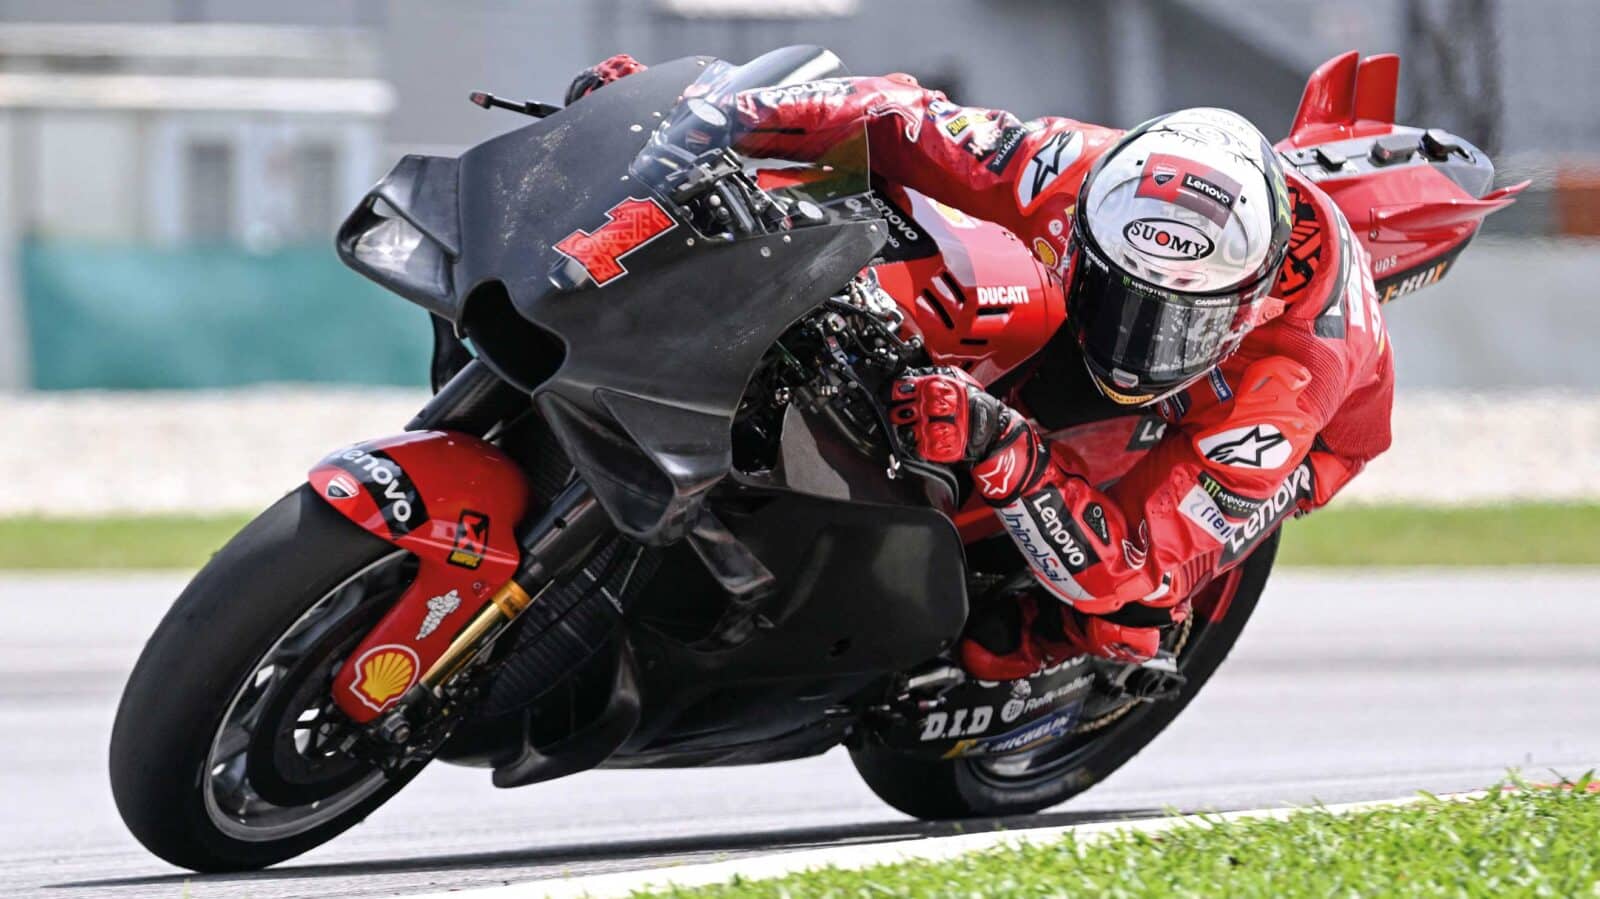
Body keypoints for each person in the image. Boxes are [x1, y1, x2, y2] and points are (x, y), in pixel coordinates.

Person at [569, 55, 1394, 681]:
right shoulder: (1073, 169)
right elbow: (899, 118)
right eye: (1123, 296)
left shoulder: (1290, 380)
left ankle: (1052, 656)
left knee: (1122, 608)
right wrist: (711, 115)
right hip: (1096, 310)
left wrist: (1004, 445)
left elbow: (1135, 558)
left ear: (1244, 301)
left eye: (1176, 321)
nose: (1137, 342)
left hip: (1296, 431)